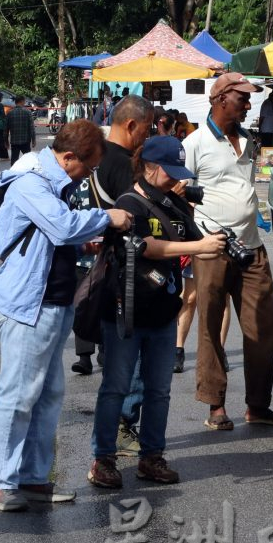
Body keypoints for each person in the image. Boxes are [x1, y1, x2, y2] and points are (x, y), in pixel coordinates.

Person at [0, 119, 131, 512]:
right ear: (68, 158)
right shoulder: (31, 182)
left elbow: (55, 238)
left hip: (53, 302)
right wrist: (107, 218)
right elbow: (63, 227)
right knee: (17, 396)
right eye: (89, 167)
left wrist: (84, 244)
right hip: (29, 304)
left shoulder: (53, 184)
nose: (90, 175)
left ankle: (32, 479)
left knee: (47, 396)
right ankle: (0, 483)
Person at [88, 136, 228, 489]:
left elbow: (194, 237)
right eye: (170, 172)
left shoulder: (175, 204)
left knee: (159, 390)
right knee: (116, 386)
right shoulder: (129, 203)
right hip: (127, 309)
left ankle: (152, 457)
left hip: (164, 309)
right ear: (150, 166)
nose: (176, 179)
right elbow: (146, 247)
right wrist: (199, 246)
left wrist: (214, 242)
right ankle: (102, 459)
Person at [183, 72, 273, 431]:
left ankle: (258, 405)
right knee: (210, 326)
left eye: (249, 100)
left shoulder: (247, 141)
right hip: (212, 246)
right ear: (220, 100)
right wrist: (198, 239)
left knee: (262, 327)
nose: (249, 106)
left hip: (251, 245)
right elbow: (179, 192)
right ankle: (215, 405)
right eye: (242, 99)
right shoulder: (195, 143)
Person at [84, 95, 154, 453]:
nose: (148, 134)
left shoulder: (94, 159)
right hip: (127, 269)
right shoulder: (125, 164)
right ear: (130, 125)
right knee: (130, 361)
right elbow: (139, 218)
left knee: (115, 358)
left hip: (101, 266)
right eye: (147, 127)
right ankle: (122, 428)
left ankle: (113, 432)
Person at [5, 95, 35, 165]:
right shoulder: (28, 112)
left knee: (14, 160)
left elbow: (6, 129)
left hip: (14, 141)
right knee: (28, 160)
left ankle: (13, 173)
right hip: (25, 140)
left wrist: (6, 141)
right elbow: (31, 128)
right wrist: (33, 140)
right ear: (22, 101)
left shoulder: (10, 113)